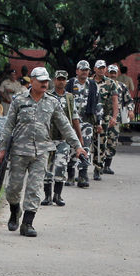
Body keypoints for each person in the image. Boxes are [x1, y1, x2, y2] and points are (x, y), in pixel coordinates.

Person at [0, 67, 87, 237]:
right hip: (19, 151)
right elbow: (8, 126)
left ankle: (27, 223)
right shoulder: (19, 100)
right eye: (41, 80)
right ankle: (15, 211)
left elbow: (65, 125)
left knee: (35, 187)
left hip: (41, 152)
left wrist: (77, 146)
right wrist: (2, 148)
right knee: (13, 189)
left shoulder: (52, 102)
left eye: (47, 81)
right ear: (32, 81)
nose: (45, 83)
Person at [42, 70, 84, 207]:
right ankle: (47, 196)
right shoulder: (47, 96)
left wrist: (79, 138)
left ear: (66, 81)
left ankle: (57, 196)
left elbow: (75, 118)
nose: (61, 81)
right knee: (47, 168)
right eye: (59, 79)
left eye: (63, 79)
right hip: (48, 139)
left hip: (63, 140)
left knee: (61, 166)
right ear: (54, 80)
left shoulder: (69, 98)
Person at [65, 60, 99, 187]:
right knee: (72, 148)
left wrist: (99, 122)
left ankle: (83, 176)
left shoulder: (92, 85)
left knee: (85, 147)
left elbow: (97, 104)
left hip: (87, 121)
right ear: (77, 71)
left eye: (86, 70)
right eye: (82, 69)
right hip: (71, 122)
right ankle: (70, 175)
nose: (84, 72)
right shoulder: (69, 84)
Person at [90, 59, 119, 181]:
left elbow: (115, 101)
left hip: (104, 117)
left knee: (101, 143)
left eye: (103, 68)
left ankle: (98, 168)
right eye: (99, 68)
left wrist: (114, 117)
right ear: (95, 69)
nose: (102, 70)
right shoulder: (89, 82)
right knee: (86, 143)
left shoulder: (110, 83)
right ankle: (82, 170)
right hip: (89, 116)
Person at [106, 64, 134, 174]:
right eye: (111, 72)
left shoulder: (122, 86)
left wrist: (130, 110)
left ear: (117, 73)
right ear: (107, 73)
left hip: (115, 119)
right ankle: (97, 165)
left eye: (114, 73)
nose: (112, 75)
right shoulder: (101, 85)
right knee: (98, 142)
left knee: (112, 141)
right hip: (101, 118)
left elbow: (129, 100)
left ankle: (107, 165)